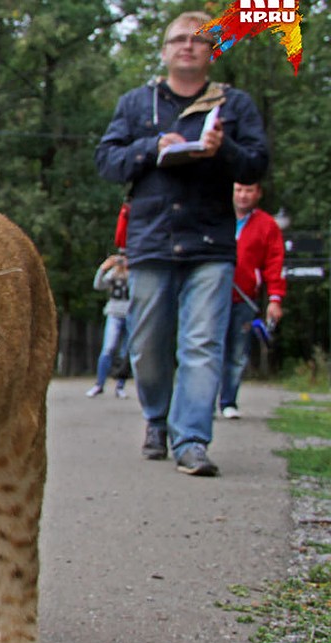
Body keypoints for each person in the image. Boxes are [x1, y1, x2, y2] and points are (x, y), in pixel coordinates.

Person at [94, 10, 269, 477]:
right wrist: (152, 147)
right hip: (151, 241)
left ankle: (191, 439)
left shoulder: (236, 106)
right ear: (165, 50)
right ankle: (157, 419)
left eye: (198, 40)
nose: (187, 46)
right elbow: (107, 162)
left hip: (211, 244)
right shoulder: (137, 104)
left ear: (212, 52)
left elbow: (256, 165)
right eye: (178, 39)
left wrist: (222, 149)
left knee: (201, 343)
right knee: (147, 345)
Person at [219, 182, 286, 420]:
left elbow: (274, 264)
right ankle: (202, 401)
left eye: (248, 190)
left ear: (258, 193)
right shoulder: (217, 216)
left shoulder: (267, 225)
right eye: (238, 190)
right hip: (212, 296)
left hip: (244, 298)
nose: (243, 195)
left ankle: (228, 401)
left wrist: (275, 299)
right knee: (208, 348)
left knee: (237, 352)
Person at [87, 253, 131, 399]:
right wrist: (103, 268)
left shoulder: (134, 274)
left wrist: (131, 267)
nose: (122, 260)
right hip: (114, 314)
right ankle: (99, 384)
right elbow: (98, 285)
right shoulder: (112, 274)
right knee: (108, 349)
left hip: (130, 315)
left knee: (125, 352)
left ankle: (120, 387)